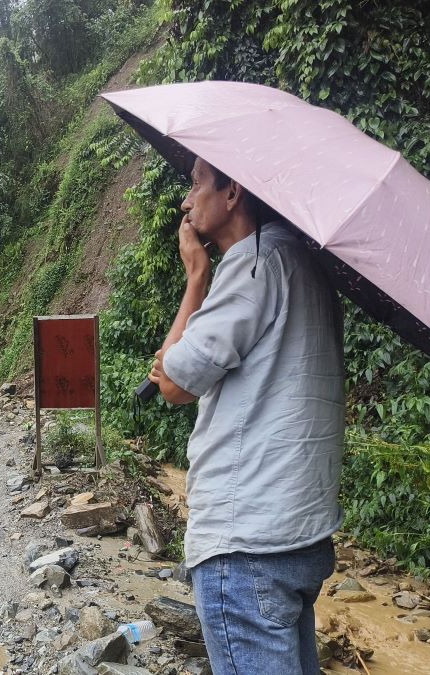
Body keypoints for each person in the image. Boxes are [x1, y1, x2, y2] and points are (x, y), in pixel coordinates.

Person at [147, 157, 344, 675]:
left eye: (197, 184)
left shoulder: (253, 265)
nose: (186, 201)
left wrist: (196, 276)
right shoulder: (305, 265)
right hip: (299, 534)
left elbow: (173, 383)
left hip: (246, 541)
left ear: (232, 191)